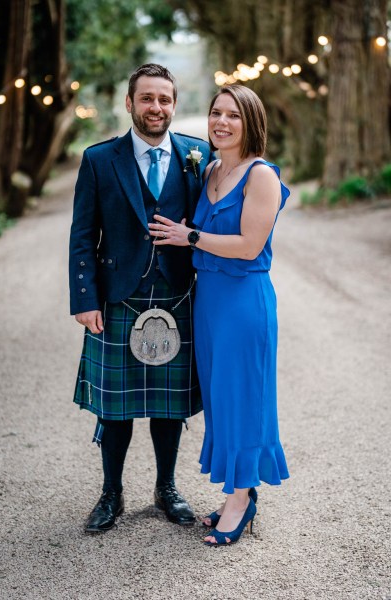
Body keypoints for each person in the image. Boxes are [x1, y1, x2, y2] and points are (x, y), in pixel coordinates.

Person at [69, 63, 214, 533]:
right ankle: (111, 491)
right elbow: (83, 236)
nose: (157, 108)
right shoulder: (99, 159)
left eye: (165, 99)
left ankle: (166, 487)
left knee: (168, 405)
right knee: (115, 408)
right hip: (119, 299)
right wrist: (84, 298)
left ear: (174, 104)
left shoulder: (198, 155)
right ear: (130, 103)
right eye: (147, 98)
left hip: (178, 297)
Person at [148, 84, 290, 546]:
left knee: (245, 398)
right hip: (207, 302)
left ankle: (243, 498)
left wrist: (188, 237)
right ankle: (235, 489)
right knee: (222, 400)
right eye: (216, 113)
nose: (222, 122)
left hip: (244, 302)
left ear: (251, 123)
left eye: (233, 115)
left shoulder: (260, 176)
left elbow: (249, 246)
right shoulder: (208, 169)